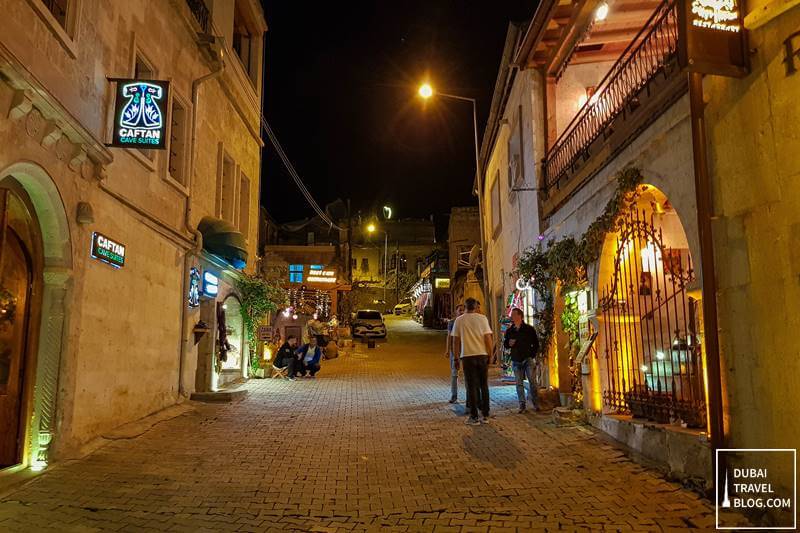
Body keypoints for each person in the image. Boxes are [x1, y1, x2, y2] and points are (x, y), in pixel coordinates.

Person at [451, 298, 494, 425]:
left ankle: (474, 416)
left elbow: (456, 341)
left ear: (465, 307)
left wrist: (456, 358)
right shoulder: (482, 319)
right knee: (483, 385)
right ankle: (485, 414)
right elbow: (488, 338)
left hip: (468, 356)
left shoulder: (459, 320)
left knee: (471, 387)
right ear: (475, 306)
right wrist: (491, 355)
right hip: (482, 355)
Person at [504, 308, 540, 413]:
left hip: (527, 359)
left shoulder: (529, 329)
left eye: (514, 315)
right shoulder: (510, 330)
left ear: (520, 316)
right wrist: (509, 344)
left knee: (532, 382)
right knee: (519, 383)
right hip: (516, 359)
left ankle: (536, 403)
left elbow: (536, 343)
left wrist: (531, 354)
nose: (512, 317)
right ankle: (522, 405)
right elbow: (506, 344)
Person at [445, 304, 465, 403]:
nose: (461, 312)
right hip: (455, 351)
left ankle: (470, 396)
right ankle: (454, 395)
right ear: (456, 311)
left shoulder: (466, 322)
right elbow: (449, 337)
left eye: (463, 310)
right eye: (460, 310)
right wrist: (447, 350)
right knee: (454, 374)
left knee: (467, 374)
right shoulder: (452, 322)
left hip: (466, 350)